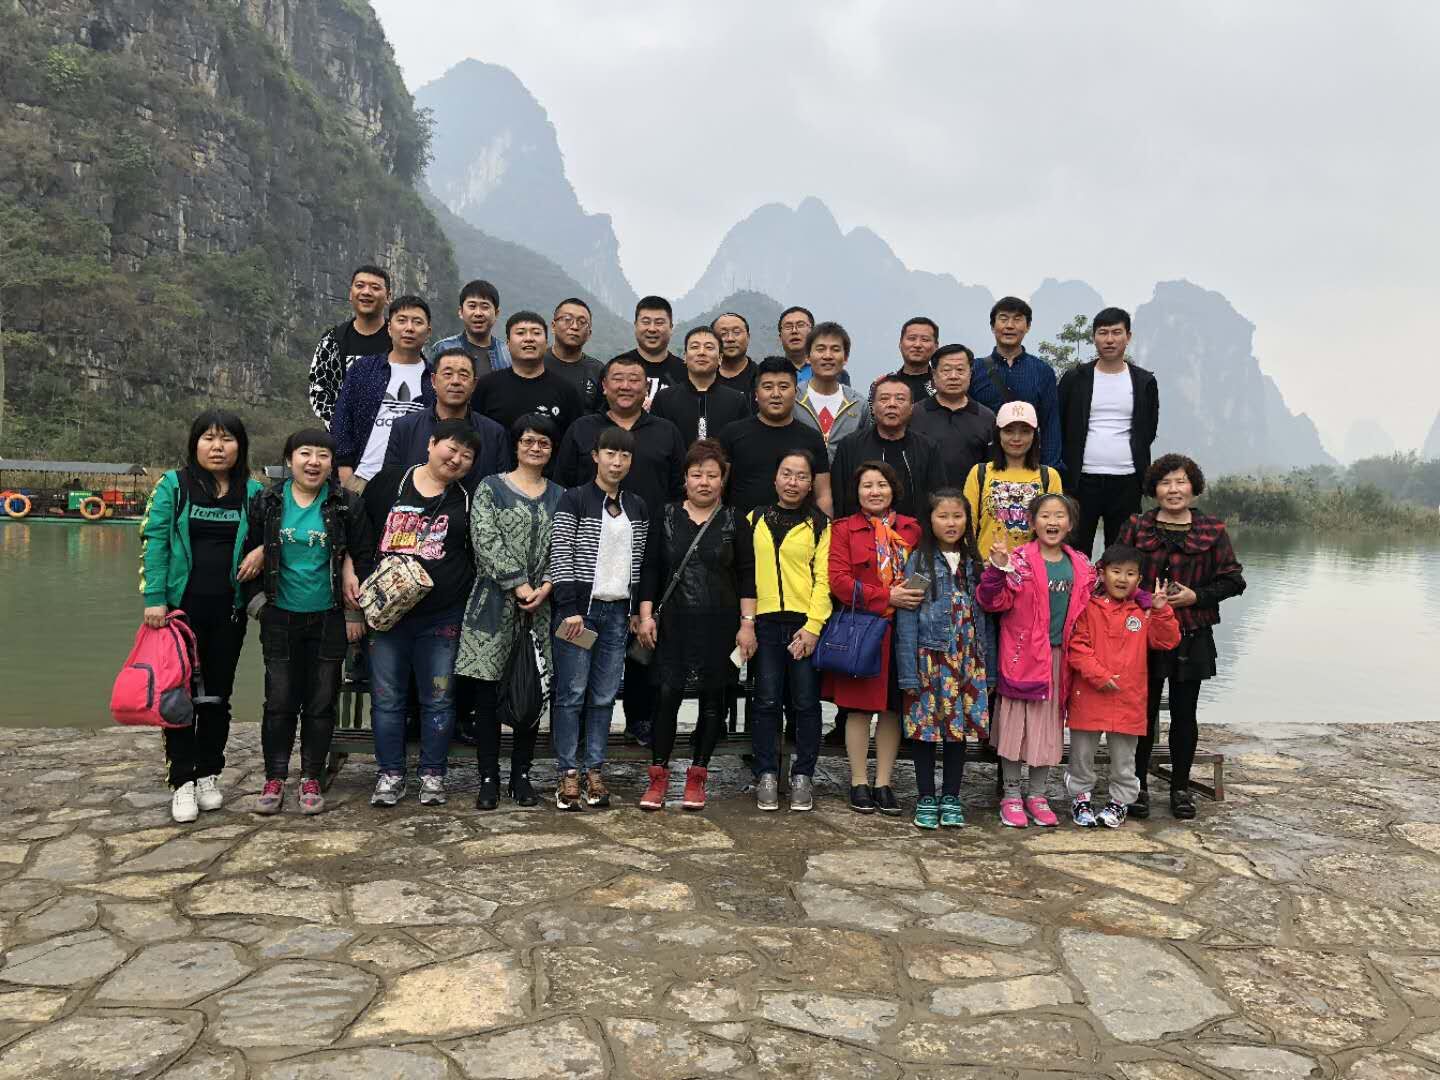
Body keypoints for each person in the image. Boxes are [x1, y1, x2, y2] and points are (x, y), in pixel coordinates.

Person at [139, 411, 266, 823]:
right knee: (178, 698)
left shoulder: (253, 492)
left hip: (229, 610)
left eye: (227, 439)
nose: (217, 447)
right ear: (195, 443)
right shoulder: (174, 486)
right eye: (209, 438)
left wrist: (262, 550)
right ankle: (182, 781)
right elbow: (155, 540)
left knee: (217, 696)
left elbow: (276, 533)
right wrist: (155, 598)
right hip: (180, 612)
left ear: (240, 447)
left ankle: (209, 773)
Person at [556, 353, 687, 746]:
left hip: (646, 552)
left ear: (647, 387)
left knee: (641, 638)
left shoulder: (665, 431)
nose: (626, 385)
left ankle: (639, 719)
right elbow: (562, 482)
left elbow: (678, 490)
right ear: (604, 385)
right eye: (618, 378)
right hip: (587, 568)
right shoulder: (583, 428)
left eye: (635, 379)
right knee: (580, 660)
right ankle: (577, 736)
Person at [240, 429, 373, 816]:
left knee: (321, 702)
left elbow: (363, 555)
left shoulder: (346, 504)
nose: (313, 462)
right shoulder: (267, 501)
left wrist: (354, 612)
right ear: (289, 459)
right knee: (279, 701)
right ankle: (275, 778)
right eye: (305, 453)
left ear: (332, 464)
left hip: (329, 617)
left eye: (323, 455)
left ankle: (312, 777)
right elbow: (245, 555)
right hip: (280, 616)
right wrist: (260, 609)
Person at [1117, 454, 1246, 821]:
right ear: (1154, 489)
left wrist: (1196, 596)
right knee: (1141, 712)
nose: (1173, 490)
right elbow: (1111, 571)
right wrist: (1146, 600)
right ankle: (1137, 787)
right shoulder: (1136, 526)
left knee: (1184, 712)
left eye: (1180, 482)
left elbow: (1234, 580)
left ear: (1193, 487)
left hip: (1192, 632)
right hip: (1142, 634)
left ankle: (1180, 788)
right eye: (1165, 483)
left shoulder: (1212, 531)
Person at [360, 421, 480, 808]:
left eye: (466, 456)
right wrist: (351, 584)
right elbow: (360, 535)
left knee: (439, 698)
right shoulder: (389, 483)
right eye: (451, 448)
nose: (456, 459)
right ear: (431, 444)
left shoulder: (467, 499)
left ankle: (433, 774)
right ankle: (390, 774)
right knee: (387, 698)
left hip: (442, 617)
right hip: (388, 615)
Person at [635, 441, 757, 812]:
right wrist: (645, 616)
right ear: (685, 479)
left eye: (712, 475)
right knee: (666, 698)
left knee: (712, 702)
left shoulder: (735, 520)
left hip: (720, 624)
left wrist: (747, 624)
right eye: (697, 475)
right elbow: (650, 569)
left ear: (723, 480)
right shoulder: (666, 515)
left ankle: (697, 777)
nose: (704, 482)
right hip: (672, 623)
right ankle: (658, 777)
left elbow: (747, 576)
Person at [456, 414, 565, 810]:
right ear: (516, 445)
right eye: (528, 441)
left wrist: (546, 585)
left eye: (544, 443)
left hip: (540, 608)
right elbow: (484, 539)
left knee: (530, 691)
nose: (535, 448)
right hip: (492, 604)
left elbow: (564, 545)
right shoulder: (491, 487)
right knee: (486, 696)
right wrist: (518, 583)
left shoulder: (561, 495)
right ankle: (488, 778)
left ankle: (522, 775)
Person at [977, 492, 1095, 828]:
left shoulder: (1081, 566)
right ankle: (1011, 795)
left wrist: (1143, 599)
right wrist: (997, 569)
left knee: (1048, 729)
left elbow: (1101, 599)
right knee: (1016, 728)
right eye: (1045, 515)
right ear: (1031, 522)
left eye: (1059, 516)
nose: (1052, 522)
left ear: (1070, 524)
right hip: (1023, 657)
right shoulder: (1018, 562)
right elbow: (992, 602)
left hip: (1060, 659)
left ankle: (1038, 795)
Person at [550, 426, 651, 810]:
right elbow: (560, 554)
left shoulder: (636, 506)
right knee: (572, 693)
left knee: (604, 696)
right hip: (582, 614)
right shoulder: (574, 499)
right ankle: (567, 772)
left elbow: (639, 563)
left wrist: (636, 611)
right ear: (596, 456)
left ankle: (594, 769)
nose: (617, 462)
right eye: (610, 453)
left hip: (617, 614)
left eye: (624, 455)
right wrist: (569, 608)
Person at [826, 461, 923, 815]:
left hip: (903, 631)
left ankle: (884, 782)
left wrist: (907, 597)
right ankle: (858, 782)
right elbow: (838, 581)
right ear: (857, 492)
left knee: (892, 708)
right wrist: (886, 597)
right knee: (858, 708)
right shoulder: (843, 529)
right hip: (863, 629)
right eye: (867, 485)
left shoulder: (911, 529)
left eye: (882, 484)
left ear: (893, 489)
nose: (875, 491)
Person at [895, 489, 991, 829]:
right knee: (924, 730)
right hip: (929, 662)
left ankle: (951, 796)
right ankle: (925, 796)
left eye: (957, 516)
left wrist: (989, 670)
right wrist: (908, 673)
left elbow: (987, 620)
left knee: (957, 731)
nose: (951, 523)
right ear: (930, 521)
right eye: (943, 516)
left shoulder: (974, 565)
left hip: (967, 661)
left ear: (967, 520)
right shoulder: (919, 563)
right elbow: (907, 616)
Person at [1066, 544, 1180, 828]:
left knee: (1124, 758)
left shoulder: (1143, 612)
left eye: (1130, 573)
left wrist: (1162, 611)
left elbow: (1166, 641)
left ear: (1139, 579)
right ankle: (1080, 797)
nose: (1122, 578)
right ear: (1102, 573)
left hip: (1127, 698)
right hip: (1089, 695)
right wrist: (1099, 675)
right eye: (1116, 571)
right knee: (1081, 754)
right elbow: (1077, 647)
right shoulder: (1086, 607)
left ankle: (1119, 802)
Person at [747, 451, 831, 812]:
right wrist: (746, 622)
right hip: (765, 623)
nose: (793, 482)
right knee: (766, 700)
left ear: (811, 483)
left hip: (803, 624)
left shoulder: (820, 524)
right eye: (786, 474)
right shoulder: (754, 519)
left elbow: (824, 580)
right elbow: (745, 574)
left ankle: (803, 775)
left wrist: (813, 627)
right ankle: (766, 773)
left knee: (806, 702)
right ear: (775, 478)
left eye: (801, 476)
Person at [1058, 307, 1160, 557]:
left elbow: (1148, 430)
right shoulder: (1075, 379)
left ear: (1128, 336)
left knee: (1121, 555)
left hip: (1127, 480)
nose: (1110, 339)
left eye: (1116, 332)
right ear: (1094, 337)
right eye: (1103, 333)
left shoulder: (1144, 382)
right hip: (1082, 481)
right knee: (1075, 551)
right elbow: (1060, 423)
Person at [331, 294, 433, 493]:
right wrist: (345, 470)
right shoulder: (364, 368)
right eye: (401, 320)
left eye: (417, 322)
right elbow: (342, 418)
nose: (409, 328)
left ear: (428, 332)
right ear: (389, 327)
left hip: (415, 484)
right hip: (363, 479)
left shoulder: (434, 377)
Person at [382, 346, 508, 492]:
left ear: (474, 384)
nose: (455, 381)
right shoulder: (405, 427)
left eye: (463, 375)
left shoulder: (494, 433)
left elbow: (501, 491)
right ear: (434, 380)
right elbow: (389, 483)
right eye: (448, 374)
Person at [718, 358, 832, 517]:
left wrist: (825, 528)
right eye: (768, 387)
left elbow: (823, 495)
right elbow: (718, 488)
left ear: (796, 393)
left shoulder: (812, 438)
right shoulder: (732, 434)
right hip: (741, 528)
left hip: (798, 529)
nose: (776, 394)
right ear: (756, 394)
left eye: (784, 387)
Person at [830, 376, 946, 520]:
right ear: (872, 407)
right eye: (884, 399)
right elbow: (839, 498)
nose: (892, 404)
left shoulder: (927, 448)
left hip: (915, 531)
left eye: (900, 399)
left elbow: (937, 498)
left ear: (911, 408)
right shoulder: (850, 446)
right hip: (860, 531)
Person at [969, 297, 1062, 470]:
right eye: (1003, 319)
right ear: (992, 326)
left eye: (1017, 319)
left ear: (1028, 326)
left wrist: (1049, 470)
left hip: (1029, 467)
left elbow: (1050, 424)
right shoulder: (974, 369)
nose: (1010, 326)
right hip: (984, 466)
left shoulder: (1042, 371)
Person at [964, 400, 1063, 558]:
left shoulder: (1050, 476)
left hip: (1032, 566)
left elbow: (1054, 528)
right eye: (1009, 431)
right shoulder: (979, 473)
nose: (1016, 438)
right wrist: (975, 562)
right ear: (998, 434)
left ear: (1034, 435)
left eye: (1025, 431)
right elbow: (968, 525)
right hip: (988, 565)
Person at [472, 311, 585, 442]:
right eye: (520, 333)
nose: (529, 339)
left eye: (536, 333)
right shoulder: (487, 385)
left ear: (546, 343)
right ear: (508, 344)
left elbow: (574, 441)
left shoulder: (566, 390)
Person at [308, 264, 392, 426]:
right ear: (350, 293)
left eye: (375, 287)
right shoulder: (333, 340)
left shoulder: (399, 340)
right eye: (360, 286)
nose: (366, 292)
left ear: (388, 296)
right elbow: (318, 390)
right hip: (343, 435)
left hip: (391, 433)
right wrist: (342, 427)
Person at [909, 344, 995, 488]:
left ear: (970, 374)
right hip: (924, 499)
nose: (953, 376)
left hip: (971, 499)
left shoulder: (987, 417)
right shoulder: (914, 414)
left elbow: (993, 467)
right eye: (946, 370)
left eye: (960, 370)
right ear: (934, 374)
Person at [651, 326, 750, 445]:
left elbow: (743, 445)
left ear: (720, 358)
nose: (701, 352)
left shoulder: (736, 400)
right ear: (685, 356)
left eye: (709, 347)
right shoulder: (664, 399)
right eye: (694, 347)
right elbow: (656, 444)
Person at [794, 321, 871, 461]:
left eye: (835, 349)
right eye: (820, 349)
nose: (828, 356)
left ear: (845, 358)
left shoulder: (858, 404)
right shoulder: (793, 398)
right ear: (808, 357)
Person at [424, 279, 512, 379]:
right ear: (461, 312)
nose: (478, 313)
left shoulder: (507, 354)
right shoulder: (442, 348)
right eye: (472, 306)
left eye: (485, 307)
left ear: (496, 313)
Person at [610, 295, 685, 408]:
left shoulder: (685, 372)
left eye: (659, 323)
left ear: (671, 327)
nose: (652, 329)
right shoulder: (616, 368)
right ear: (636, 326)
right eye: (646, 322)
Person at [544, 298, 604, 412]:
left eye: (582, 322)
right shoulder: (535, 362)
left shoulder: (598, 370)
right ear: (553, 326)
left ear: (589, 334)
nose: (574, 327)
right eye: (567, 319)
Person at [871, 316, 939, 403]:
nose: (917, 345)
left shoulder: (945, 384)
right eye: (912, 338)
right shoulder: (881, 384)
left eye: (925, 340)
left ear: (936, 346)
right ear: (900, 344)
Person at [713, 312, 759, 403]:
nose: (730, 339)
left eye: (737, 332)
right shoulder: (701, 378)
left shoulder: (762, 376)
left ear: (748, 337)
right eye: (723, 333)